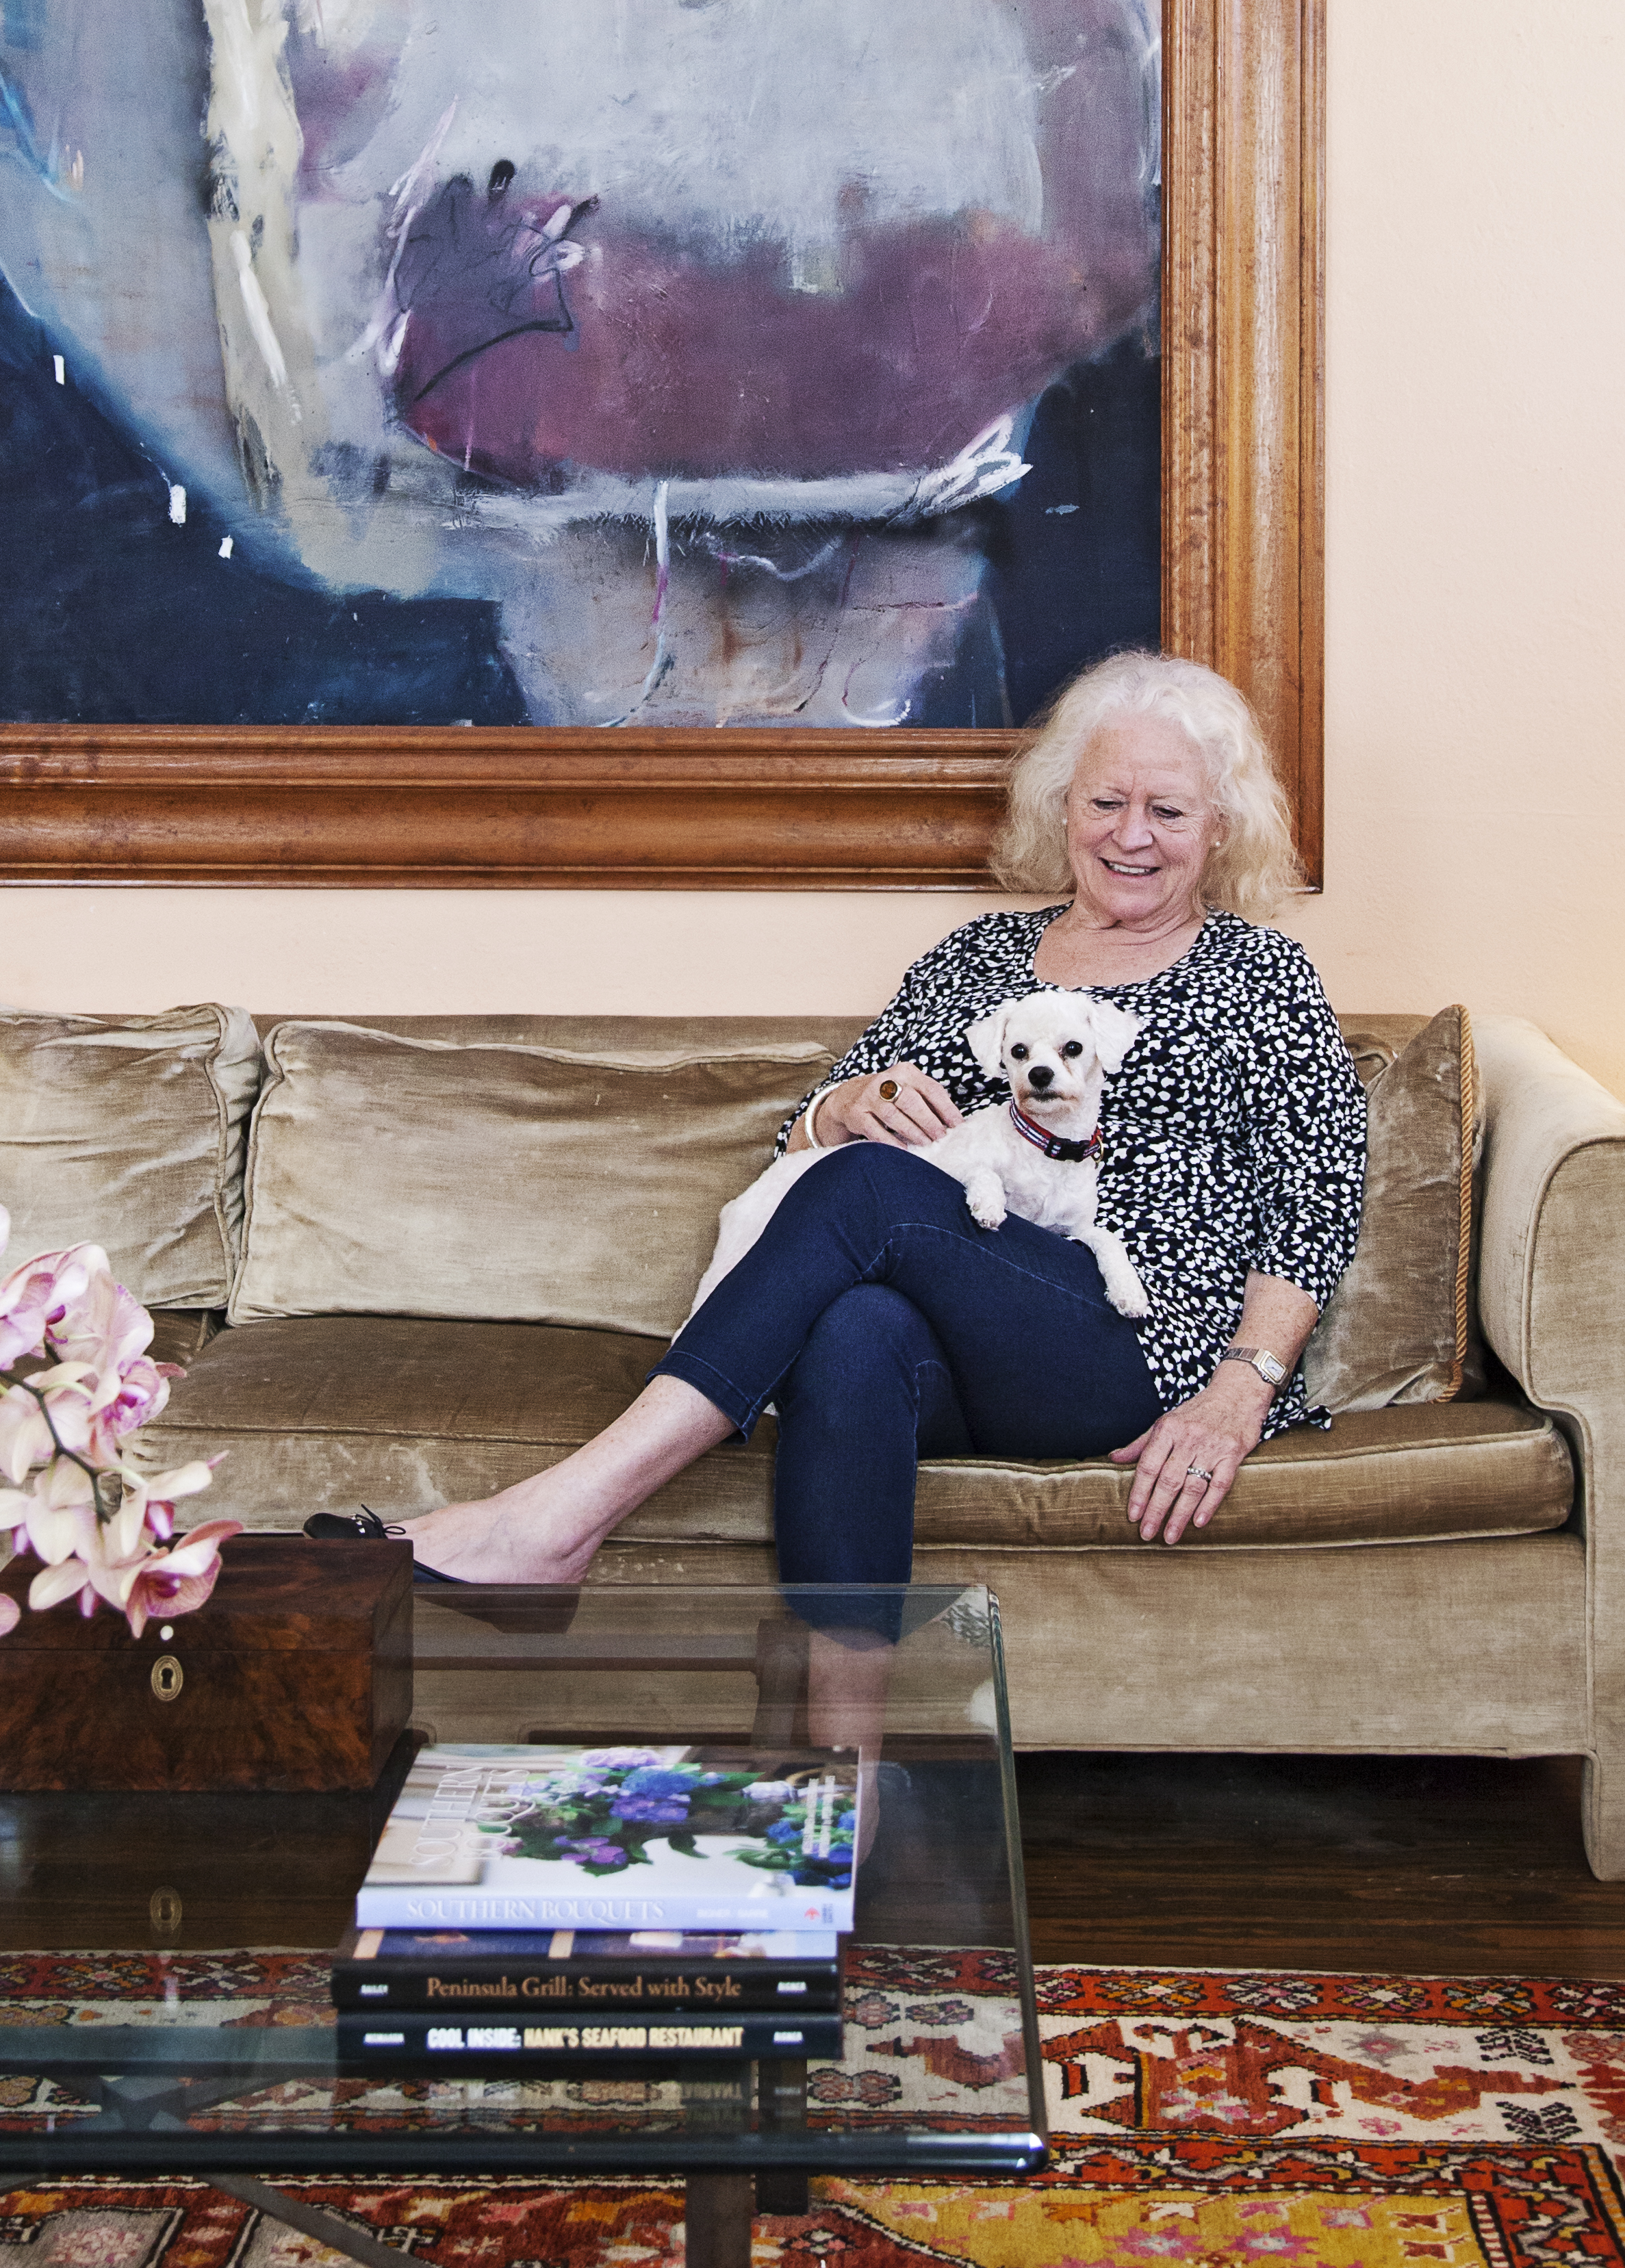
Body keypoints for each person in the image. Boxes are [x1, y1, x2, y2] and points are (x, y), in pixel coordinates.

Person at [395, 651, 1370, 1621]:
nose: (1132, 836)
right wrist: (841, 1107)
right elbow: (799, 1149)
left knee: (867, 1188)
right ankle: (847, 1748)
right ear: (1062, 805)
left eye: (1169, 810)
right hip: (966, 1341)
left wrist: (1239, 1390)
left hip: (1135, 1338)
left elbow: (1316, 1203)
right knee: (854, 1331)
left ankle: (560, 1518)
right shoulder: (972, 958)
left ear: (1220, 827)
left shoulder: (1262, 975)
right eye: (1106, 801)